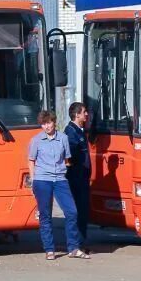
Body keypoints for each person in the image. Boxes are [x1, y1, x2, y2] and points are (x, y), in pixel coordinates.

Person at [28, 110, 86, 260]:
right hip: (42, 180)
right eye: (43, 124)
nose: (46, 126)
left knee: (72, 212)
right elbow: (31, 160)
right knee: (45, 214)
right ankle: (49, 249)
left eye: (49, 123)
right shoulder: (36, 140)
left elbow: (67, 160)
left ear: (54, 122)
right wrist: (33, 179)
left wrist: (63, 172)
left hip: (60, 179)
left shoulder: (63, 138)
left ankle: (73, 247)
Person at [64, 102, 92, 253]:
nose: (86, 115)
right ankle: (76, 244)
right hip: (76, 178)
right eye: (84, 112)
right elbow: (70, 153)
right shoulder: (70, 132)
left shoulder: (79, 131)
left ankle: (81, 241)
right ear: (76, 115)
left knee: (83, 210)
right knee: (77, 211)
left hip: (82, 177)